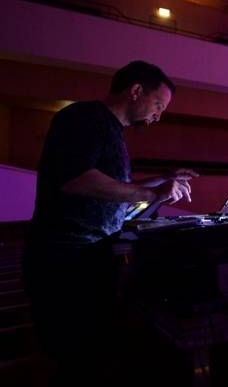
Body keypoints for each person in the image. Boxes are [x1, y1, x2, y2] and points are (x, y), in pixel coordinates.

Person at [22, 61, 198, 385]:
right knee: (75, 360)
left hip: (84, 257)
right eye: (158, 105)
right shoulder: (85, 117)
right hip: (65, 262)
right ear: (136, 91)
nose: (158, 115)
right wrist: (151, 192)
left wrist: (162, 179)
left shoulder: (109, 128)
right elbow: (77, 179)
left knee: (92, 353)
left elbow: (111, 186)